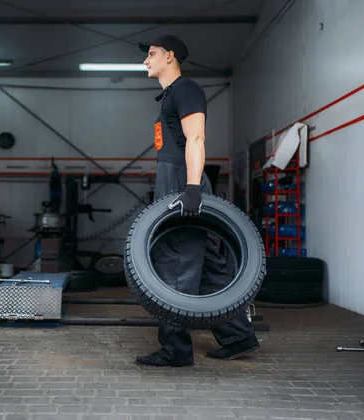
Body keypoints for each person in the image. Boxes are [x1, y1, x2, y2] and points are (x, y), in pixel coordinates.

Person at [135, 35, 260, 367]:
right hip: (176, 180)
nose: (145, 61)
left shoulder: (185, 89)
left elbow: (197, 137)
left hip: (182, 183)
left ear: (170, 57)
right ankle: (238, 337)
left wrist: (191, 188)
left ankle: (175, 350)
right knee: (205, 266)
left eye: (151, 54)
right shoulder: (169, 97)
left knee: (173, 266)